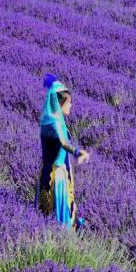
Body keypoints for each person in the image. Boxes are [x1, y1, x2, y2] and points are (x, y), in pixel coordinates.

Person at [34, 73, 90, 232]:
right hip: (57, 175)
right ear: (60, 103)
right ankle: (64, 236)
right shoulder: (56, 123)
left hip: (46, 171)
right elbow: (64, 143)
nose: (71, 106)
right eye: (69, 102)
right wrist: (78, 152)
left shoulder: (48, 120)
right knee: (60, 213)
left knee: (46, 210)